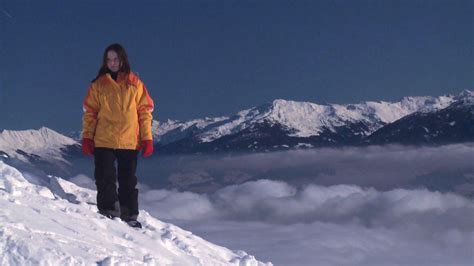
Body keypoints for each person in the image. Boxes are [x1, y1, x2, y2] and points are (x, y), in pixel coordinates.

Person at [81, 43, 154, 228]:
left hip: (129, 140)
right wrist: (88, 137)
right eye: (109, 59)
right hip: (104, 138)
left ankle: (129, 215)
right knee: (105, 177)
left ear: (122, 60)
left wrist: (147, 137)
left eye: (115, 59)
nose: (112, 62)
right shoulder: (98, 85)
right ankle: (108, 211)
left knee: (128, 180)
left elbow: (144, 111)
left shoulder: (135, 83)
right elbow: (90, 112)